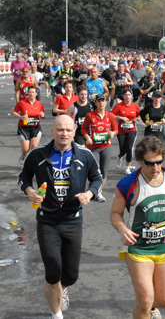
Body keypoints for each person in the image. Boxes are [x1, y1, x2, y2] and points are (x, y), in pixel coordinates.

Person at [18, 115, 103, 319]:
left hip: (73, 220)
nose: (64, 133)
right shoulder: (38, 154)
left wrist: (89, 194)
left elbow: (97, 178)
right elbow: (24, 177)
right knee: (53, 270)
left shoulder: (84, 155)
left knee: (70, 275)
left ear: (74, 132)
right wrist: (29, 190)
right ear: (52, 131)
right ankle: (56, 314)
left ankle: (62, 288)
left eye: (68, 130)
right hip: (47, 220)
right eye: (59, 130)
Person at [110, 136, 165, 319]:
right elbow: (115, 214)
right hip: (138, 249)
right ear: (139, 161)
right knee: (144, 301)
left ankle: (149, 308)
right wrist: (122, 229)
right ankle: (144, 309)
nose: (156, 168)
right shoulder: (129, 184)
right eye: (150, 163)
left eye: (159, 162)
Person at [81, 94, 118, 202]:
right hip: (93, 147)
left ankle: (98, 192)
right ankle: (91, 190)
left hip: (106, 146)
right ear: (96, 103)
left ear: (106, 102)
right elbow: (83, 129)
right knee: (93, 171)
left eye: (103, 101)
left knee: (104, 171)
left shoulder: (110, 115)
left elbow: (116, 129)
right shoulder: (90, 115)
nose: (101, 103)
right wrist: (87, 137)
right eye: (99, 101)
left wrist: (113, 133)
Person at [12, 86, 45, 164]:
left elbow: (43, 116)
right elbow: (14, 112)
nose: (31, 94)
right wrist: (20, 117)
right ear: (28, 93)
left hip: (36, 127)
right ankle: (24, 154)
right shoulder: (22, 102)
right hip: (24, 127)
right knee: (26, 148)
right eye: (30, 92)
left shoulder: (39, 104)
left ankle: (33, 163)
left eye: (33, 92)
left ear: (36, 94)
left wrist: (43, 115)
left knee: (34, 147)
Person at [112, 89, 141, 175]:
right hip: (121, 130)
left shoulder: (135, 106)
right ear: (123, 97)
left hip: (132, 130)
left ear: (131, 96)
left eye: (129, 95)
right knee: (122, 148)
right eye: (126, 95)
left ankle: (127, 168)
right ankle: (120, 156)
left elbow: (138, 116)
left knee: (129, 148)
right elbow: (112, 115)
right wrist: (121, 118)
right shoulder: (119, 106)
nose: (128, 97)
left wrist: (139, 119)